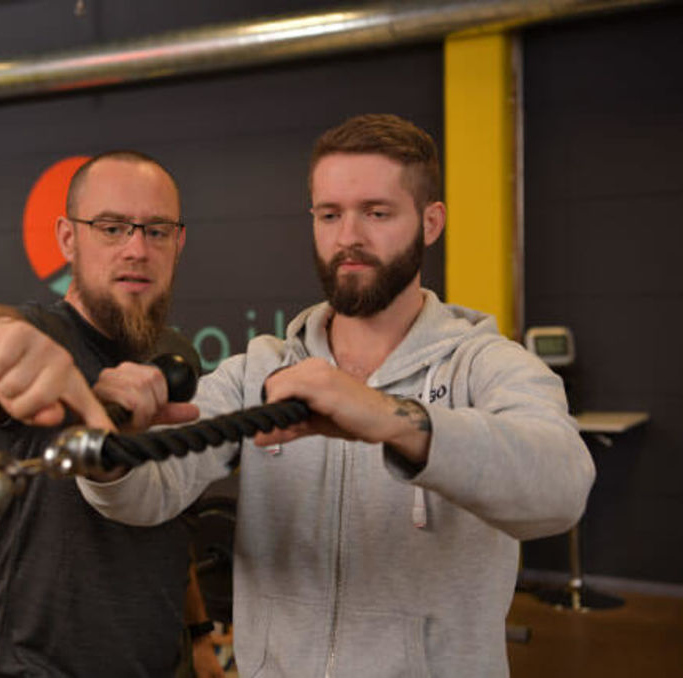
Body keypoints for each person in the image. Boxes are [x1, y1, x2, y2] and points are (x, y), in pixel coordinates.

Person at [76, 115, 597, 676]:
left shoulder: (483, 365)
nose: (348, 237)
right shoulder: (262, 370)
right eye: (330, 215)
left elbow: (562, 489)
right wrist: (115, 454)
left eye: (376, 212)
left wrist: (396, 421)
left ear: (429, 222)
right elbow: (146, 495)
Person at [0, 151, 225, 678]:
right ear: (69, 238)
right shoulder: (42, 338)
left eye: (157, 231)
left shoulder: (175, 353)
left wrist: (199, 636)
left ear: (178, 243)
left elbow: (173, 513)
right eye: (112, 228)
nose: (137, 249)